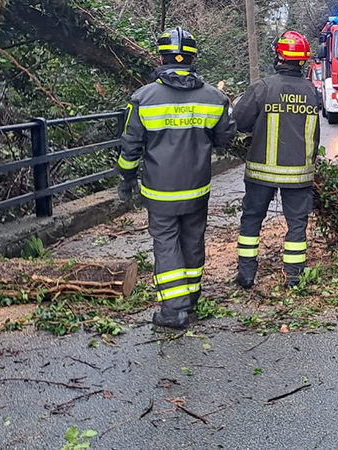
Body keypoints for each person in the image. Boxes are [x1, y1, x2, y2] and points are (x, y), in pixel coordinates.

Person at [117, 27, 236, 329]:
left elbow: (130, 144)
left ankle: (174, 310)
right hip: (198, 188)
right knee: (193, 240)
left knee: (167, 243)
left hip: (160, 190)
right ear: (193, 58)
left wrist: (126, 179)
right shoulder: (214, 97)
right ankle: (192, 299)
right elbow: (225, 139)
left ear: (160, 56)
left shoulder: (143, 98)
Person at [233, 31, 321, 290]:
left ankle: (246, 275)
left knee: (251, 220)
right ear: (302, 60)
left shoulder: (263, 88)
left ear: (280, 56)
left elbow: (238, 123)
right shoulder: (312, 92)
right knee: (297, 226)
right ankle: (294, 278)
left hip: (262, 173)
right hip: (298, 174)